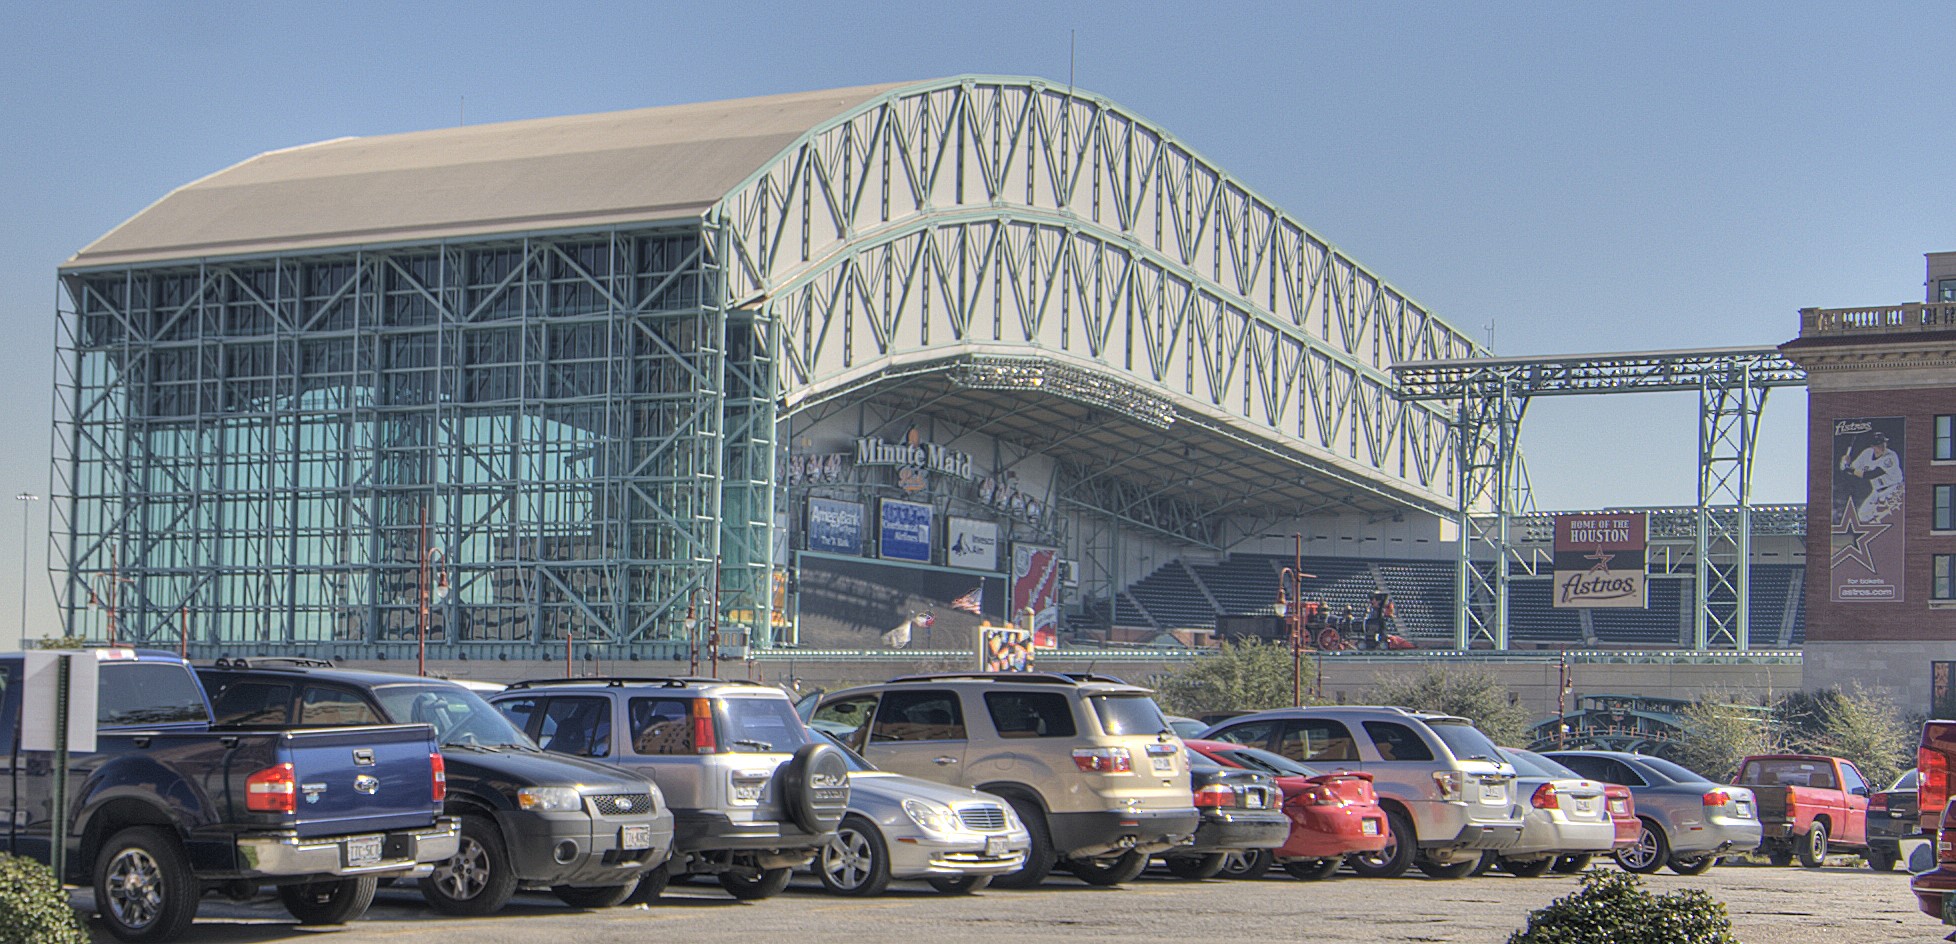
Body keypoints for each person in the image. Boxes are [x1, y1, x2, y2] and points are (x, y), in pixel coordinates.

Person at [1841, 432, 1903, 522]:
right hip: (1877, 491)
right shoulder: (1867, 453)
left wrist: (1850, 470)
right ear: (1872, 446)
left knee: (1891, 516)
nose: (1882, 446)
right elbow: (1851, 469)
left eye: (1883, 443)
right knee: (1863, 515)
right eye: (1878, 444)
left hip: (1894, 490)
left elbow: (1871, 474)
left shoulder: (1890, 457)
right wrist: (1845, 463)